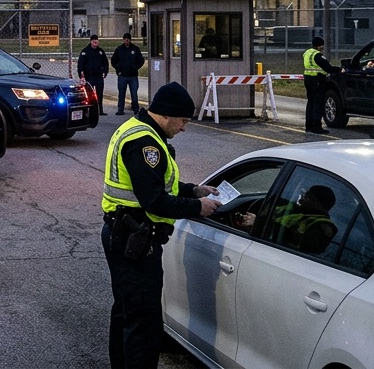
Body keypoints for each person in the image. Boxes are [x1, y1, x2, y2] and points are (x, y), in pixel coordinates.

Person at [101, 82, 221, 369]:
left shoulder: (138, 130)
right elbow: (154, 200)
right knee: (143, 323)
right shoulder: (146, 144)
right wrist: (197, 208)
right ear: (166, 115)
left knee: (127, 313)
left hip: (125, 233)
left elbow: (156, 184)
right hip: (135, 240)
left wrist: (193, 190)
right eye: (182, 121)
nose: (183, 128)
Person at [236, 185, 338, 255]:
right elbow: (273, 202)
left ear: (318, 204)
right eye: (303, 194)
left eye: (307, 197)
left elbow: (294, 239)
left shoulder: (322, 226)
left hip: (275, 257)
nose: (301, 198)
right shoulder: (293, 207)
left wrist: (259, 224)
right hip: (258, 245)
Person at [301, 36, 339, 134]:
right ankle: (317, 127)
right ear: (319, 46)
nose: (323, 47)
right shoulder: (318, 55)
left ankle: (308, 126)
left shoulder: (307, 53)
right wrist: (340, 69)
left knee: (310, 103)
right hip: (317, 81)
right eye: (322, 45)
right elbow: (328, 68)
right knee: (318, 103)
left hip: (308, 79)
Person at [111, 32, 145, 115]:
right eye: (125, 39)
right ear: (123, 40)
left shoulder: (135, 49)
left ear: (130, 40)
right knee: (121, 93)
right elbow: (113, 61)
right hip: (122, 76)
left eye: (128, 39)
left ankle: (136, 109)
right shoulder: (119, 49)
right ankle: (120, 109)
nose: (127, 41)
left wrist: (135, 67)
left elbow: (141, 60)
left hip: (133, 76)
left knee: (134, 94)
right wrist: (118, 69)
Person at [77, 33, 110, 111]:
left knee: (100, 94)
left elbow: (105, 63)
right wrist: (81, 75)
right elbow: (80, 64)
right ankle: (89, 110)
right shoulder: (85, 51)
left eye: (96, 41)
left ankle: (100, 110)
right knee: (89, 94)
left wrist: (105, 71)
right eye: (94, 41)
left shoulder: (100, 52)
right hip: (89, 76)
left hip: (98, 76)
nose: (95, 42)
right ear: (91, 41)